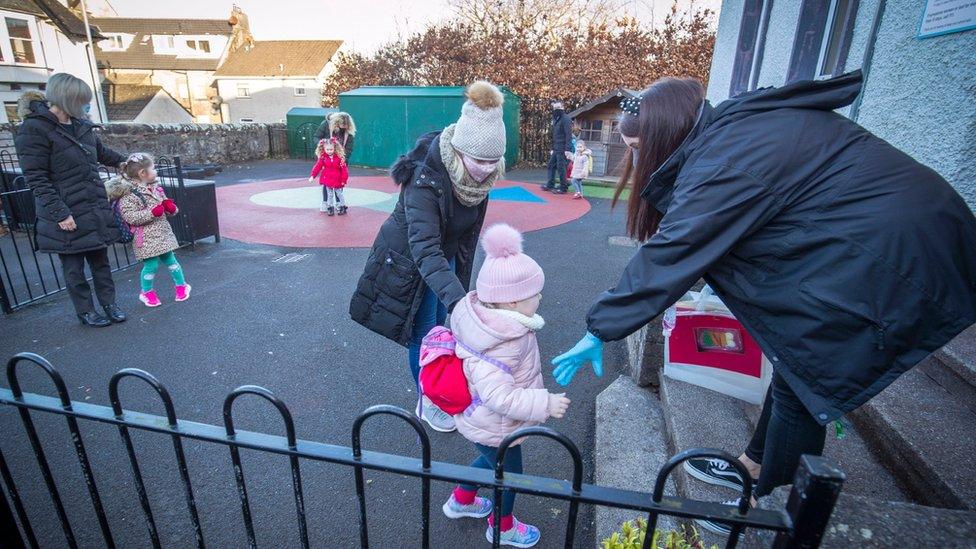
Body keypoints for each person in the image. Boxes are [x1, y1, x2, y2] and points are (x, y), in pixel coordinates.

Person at [551, 72, 976, 536]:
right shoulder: (728, 133)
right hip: (879, 236)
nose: (634, 157)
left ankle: (771, 510)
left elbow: (671, 253)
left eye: (635, 146)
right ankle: (755, 464)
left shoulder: (724, 158)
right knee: (792, 357)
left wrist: (599, 327)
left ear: (661, 136)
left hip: (899, 253)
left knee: (804, 374)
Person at [350, 81, 508, 432]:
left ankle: (441, 386)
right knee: (424, 334)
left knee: (443, 328)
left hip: (443, 253)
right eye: (479, 160)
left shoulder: (478, 181)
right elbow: (423, 247)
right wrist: (461, 302)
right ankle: (428, 399)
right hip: (408, 259)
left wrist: (461, 291)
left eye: (493, 161)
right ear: (461, 149)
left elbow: (466, 238)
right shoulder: (426, 177)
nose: (485, 169)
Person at [436, 223, 569, 548]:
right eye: (533, 294)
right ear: (510, 302)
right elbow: (498, 395)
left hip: (483, 419)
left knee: (488, 460)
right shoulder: (504, 340)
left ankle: (462, 500)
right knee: (511, 476)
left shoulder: (492, 322)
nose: (539, 298)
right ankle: (502, 526)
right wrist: (545, 403)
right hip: (495, 421)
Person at [14, 75, 127, 327]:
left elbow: (101, 153)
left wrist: (125, 162)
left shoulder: (80, 125)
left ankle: (109, 304)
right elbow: (36, 178)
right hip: (66, 210)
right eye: (82, 101)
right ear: (68, 99)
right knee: (74, 268)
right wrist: (60, 214)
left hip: (92, 206)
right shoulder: (34, 130)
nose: (86, 106)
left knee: (101, 262)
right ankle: (85, 311)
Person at [107, 153, 190, 308]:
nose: (156, 171)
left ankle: (182, 286)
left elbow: (167, 208)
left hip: (162, 233)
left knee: (171, 261)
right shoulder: (129, 194)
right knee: (151, 265)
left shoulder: (156, 188)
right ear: (142, 173)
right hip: (145, 237)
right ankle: (146, 292)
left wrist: (172, 209)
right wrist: (151, 213)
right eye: (153, 168)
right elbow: (130, 216)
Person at [308, 138, 349, 216]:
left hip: (337, 180)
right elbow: (317, 167)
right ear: (324, 149)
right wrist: (313, 176)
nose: (329, 151)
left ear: (335, 148)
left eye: (331, 149)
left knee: (339, 194)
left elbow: (344, 170)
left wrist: (344, 179)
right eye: (327, 149)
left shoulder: (340, 158)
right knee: (329, 195)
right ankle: (330, 208)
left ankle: (342, 206)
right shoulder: (323, 158)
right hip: (328, 180)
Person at [543, 101, 573, 194]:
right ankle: (550, 185)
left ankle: (563, 188)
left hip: (563, 148)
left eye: (558, 107)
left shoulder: (566, 119)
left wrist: (567, 150)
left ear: (563, 107)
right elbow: (555, 135)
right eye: (555, 108)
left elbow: (568, 134)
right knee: (551, 166)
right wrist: (552, 148)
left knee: (561, 168)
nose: (556, 109)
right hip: (556, 148)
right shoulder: (556, 119)